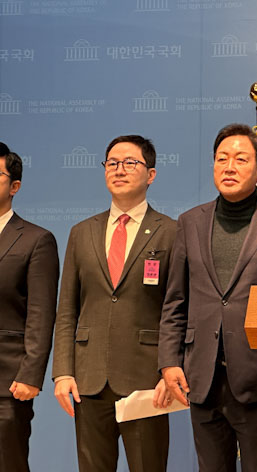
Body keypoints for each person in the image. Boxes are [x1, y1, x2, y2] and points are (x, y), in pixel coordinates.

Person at [158, 123, 257, 472]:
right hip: (202, 380)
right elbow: (175, 300)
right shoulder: (189, 222)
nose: (229, 166)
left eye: (241, 159)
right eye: (221, 158)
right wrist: (169, 362)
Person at [52, 135, 176, 472]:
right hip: (88, 379)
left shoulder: (171, 232)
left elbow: (178, 309)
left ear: (150, 174)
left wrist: (171, 369)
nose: (119, 170)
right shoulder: (82, 232)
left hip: (146, 380)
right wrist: (63, 371)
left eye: (130, 163)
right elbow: (67, 310)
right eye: (112, 163)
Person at [0, 142, 59, 472]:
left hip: (7, 381)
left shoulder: (36, 240)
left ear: (15, 186)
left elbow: (41, 313)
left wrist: (30, 375)